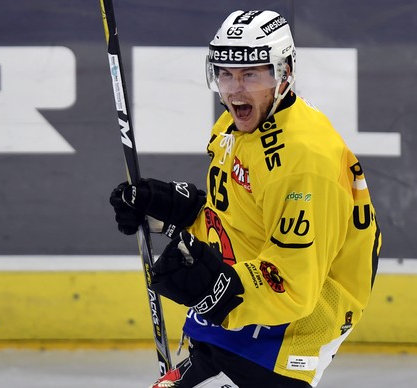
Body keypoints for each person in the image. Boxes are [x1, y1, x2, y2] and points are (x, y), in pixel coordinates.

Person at [110, 9, 382, 388]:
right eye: (225, 73)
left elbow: (294, 285)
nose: (235, 89)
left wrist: (216, 289)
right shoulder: (233, 126)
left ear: (284, 73)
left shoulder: (304, 162)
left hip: (290, 332)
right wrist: (174, 211)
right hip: (239, 312)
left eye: (251, 74)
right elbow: (240, 217)